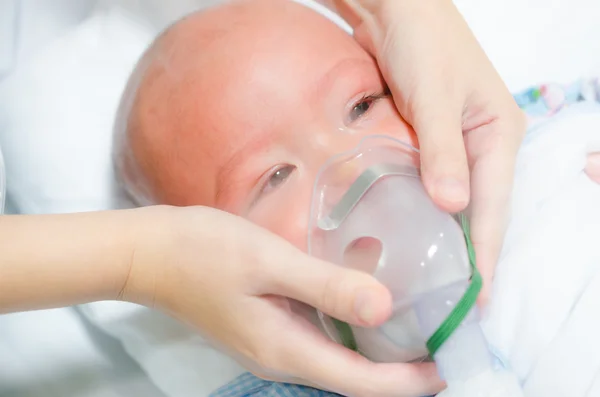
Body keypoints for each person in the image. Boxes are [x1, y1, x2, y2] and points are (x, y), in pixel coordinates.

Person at [0, 0, 541, 395]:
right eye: (276, 176)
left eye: (361, 105)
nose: (355, 166)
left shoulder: (526, 141)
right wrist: (139, 265)